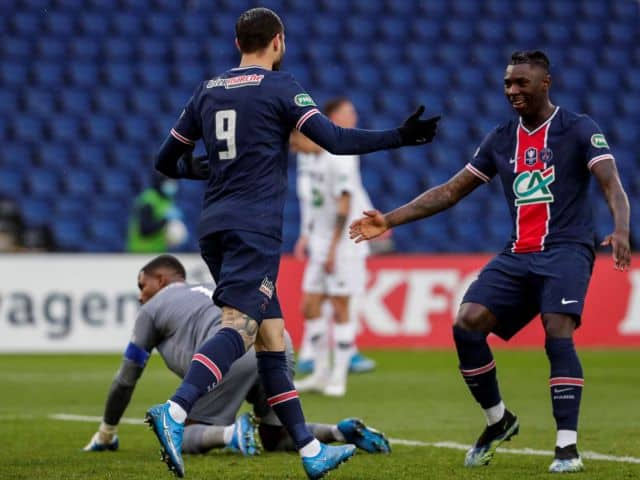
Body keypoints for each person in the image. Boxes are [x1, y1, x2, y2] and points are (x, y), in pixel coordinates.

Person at [149, 7, 439, 478]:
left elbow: (167, 161)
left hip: (215, 225)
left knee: (272, 339)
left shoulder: (207, 89)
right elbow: (336, 140)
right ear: (278, 41)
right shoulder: (283, 88)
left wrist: (200, 169)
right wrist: (400, 137)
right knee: (240, 328)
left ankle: (309, 450)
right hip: (254, 227)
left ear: (237, 42)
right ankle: (177, 411)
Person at [349, 50, 630, 474]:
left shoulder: (578, 129)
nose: (512, 90)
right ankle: (499, 421)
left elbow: (612, 183)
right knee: (467, 323)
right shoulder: (501, 138)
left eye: (521, 83)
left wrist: (621, 228)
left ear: (545, 83)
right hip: (518, 252)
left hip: (567, 249)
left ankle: (567, 446)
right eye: (507, 84)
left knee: (557, 330)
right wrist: (388, 219)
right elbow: (449, 191)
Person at [82, 255, 390, 458]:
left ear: (161, 280)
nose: (139, 295)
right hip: (277, 340)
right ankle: (338, 432)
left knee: (182, 431)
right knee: (275, 434)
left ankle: (230, 434)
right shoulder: (209, 287)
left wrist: (107, 431)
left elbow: (126, 379)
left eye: (142, 285)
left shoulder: (151, 309)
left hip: (230, 349)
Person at [291, 97, 376, 397]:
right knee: (310, 305)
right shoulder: (310, 158)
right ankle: (321, 372)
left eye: (294, 138)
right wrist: (308, 234)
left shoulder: (340, 156)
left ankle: (338, 377)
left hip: (343, 244)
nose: (291, 145)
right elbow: (313, 204)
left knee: (340, 305)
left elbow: (344, 203)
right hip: (321, 241)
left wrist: (331, 250)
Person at [127, 173, 188, 253]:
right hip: (140, 252)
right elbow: (144, 230)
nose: (172, 184)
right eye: (169, 181)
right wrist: (165, 221)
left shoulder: (168, 200)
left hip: (158, 252)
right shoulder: (148, 199)